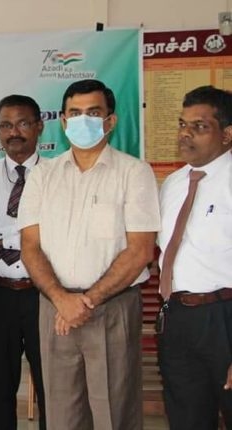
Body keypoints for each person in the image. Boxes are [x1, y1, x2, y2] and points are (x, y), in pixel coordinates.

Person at [18, 79, 160, 430]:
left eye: (93, 113)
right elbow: (30, 246)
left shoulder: (134, 172)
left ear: (110, 121)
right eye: (75, 113)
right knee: (63, 416)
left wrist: (86, 301)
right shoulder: (42, 175)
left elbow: (140, 250)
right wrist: (62, 299)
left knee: (115, 413)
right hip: (55, 309)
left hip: (112, 308)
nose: (83, 121)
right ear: (63, 121)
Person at [157, 85, 232, 429]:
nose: (185, 133)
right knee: (186, 419)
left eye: (199, 126)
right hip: (178, 318)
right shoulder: (173, 184)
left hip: (225, 316)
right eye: (182, 124)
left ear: (227, 134)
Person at [0, 95, 47, 430]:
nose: (14, 132)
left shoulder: (55, 175)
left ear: (39, 126)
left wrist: (3, 237)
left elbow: (56, 234)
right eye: (5, 125)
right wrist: (25, 237)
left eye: (22, 123)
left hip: (44, 294)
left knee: (51, 385)